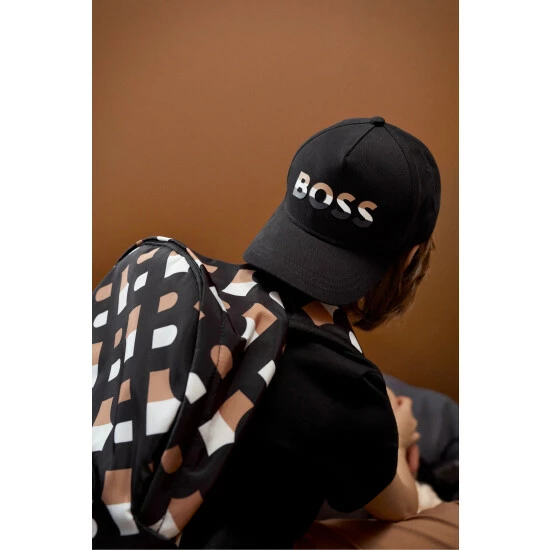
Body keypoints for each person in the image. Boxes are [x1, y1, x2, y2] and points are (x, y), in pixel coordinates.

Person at [177, 116, 442, 549]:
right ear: (411, 256)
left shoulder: (188, 292)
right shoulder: (343, 383)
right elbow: (400, 506)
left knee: (431, 411)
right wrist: (398, 437)